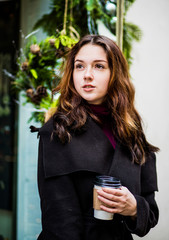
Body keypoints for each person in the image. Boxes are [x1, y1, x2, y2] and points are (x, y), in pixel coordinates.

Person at [36, 35, 159, 240]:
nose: (87, 75)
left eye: (99, 66)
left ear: (115, 73)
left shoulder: (132, 131)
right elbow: (60, 224)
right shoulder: (57, 131)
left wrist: (134, 208)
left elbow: (151, 214)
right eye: (80, 66)